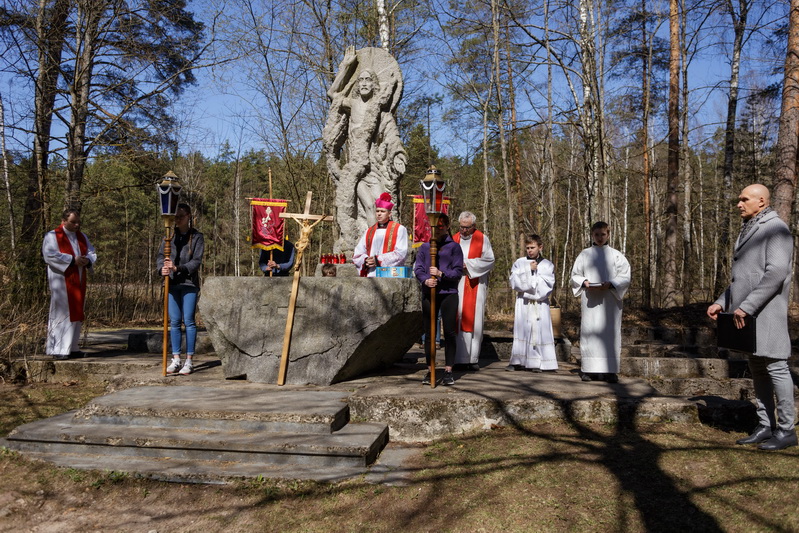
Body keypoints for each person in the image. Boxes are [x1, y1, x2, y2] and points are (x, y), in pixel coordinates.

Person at [707, 184, 797, 451]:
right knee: (757, 369)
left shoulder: (776, 229)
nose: (739, 203)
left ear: (761, 201)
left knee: (777, 368)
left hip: (766, 313)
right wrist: (721, 301)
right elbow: (744, 278)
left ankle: (787, 430)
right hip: (746, 316)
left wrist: (747, 306)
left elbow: (776, 273)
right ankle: (765, 425)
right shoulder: (750, 228)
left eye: (744, 199)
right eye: (739, 199)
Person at [570, 221, 631, 383]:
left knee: (610, 333)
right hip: (591, 300)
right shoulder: (585, 254)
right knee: (590, 332)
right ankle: (589, 370)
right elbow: (575, 275)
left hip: (610, 302)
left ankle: (610, 371)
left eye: (603, 234)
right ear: (592, 235)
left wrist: (611, 284)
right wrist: (585, 282)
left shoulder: (616, 255)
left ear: (608, 235)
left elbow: (625, 276)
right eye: (596, 235)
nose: (599, 238)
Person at [414, 214, 464, 386]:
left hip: (448, 293)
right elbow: (418, 268)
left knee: (449, 332)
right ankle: (431, 369)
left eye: (441, 226)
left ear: (447, 226)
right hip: (430, 293)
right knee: (429, 333)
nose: (437, 229)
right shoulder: (424, 248)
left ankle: (449, 370)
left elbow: (458, 272)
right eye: (434, 226)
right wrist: (425, 279)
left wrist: (442, 274)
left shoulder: (454, 248)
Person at [42, 209, 97, 360]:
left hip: (78, 279)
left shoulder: (82, 236)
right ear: (64, 221)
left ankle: (73, 347)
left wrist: (87, 260)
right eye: (73, 222)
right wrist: (73, 260)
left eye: (78, 222)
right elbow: (49, 254)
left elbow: (92, 251)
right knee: (62, 313)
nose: (76, 225)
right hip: (61, 281)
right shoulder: (53, 236)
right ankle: (58, 348)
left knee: (77, 312)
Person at [157, 203, 204, 375]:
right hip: (171, 283)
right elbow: (161, 257)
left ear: (189, 216)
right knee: (174, 321)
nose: (177, 220)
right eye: (175, 217)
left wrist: (178, 268)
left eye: (181, 216)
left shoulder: (197, 237)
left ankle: (189, 360)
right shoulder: (168, 237)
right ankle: (176, 358)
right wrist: (161, 269)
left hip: (189, 283)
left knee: (189, 321)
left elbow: (196, 261)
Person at [509, 234, 557, 372]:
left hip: (539, 304)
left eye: (533, 247)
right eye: (528, 247)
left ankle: (538, 362)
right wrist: (528, 270)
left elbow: (547, 285)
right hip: (523, 303)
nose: (530, 250)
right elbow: (513, 281)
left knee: (538, 331)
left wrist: (529, 290)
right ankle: (518, 360)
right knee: (522, 330)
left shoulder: (547, 265)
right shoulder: (519, 262)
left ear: (540, 247)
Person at [453, 211, 495, 371]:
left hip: (475, 283)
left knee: (474, 319)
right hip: (456, 284)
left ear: (474, 226)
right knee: (457, 318)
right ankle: (457, 358)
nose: (464, 231)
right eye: (462, 227)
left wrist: (467, 265)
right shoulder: (454, 238)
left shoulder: (482, 239)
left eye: (467, 228)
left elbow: (489, 260)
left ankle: (472, 359)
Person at [352, 192, 408, 277]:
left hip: (391, 274)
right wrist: (366, 260)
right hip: (371, 274)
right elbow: (358, 253)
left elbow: (401, 253)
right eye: (377, 211)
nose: (379, 214)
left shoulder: (399, 229)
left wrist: (378, 260)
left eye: (382, 211)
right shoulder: (369, 231)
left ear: (389, 214)